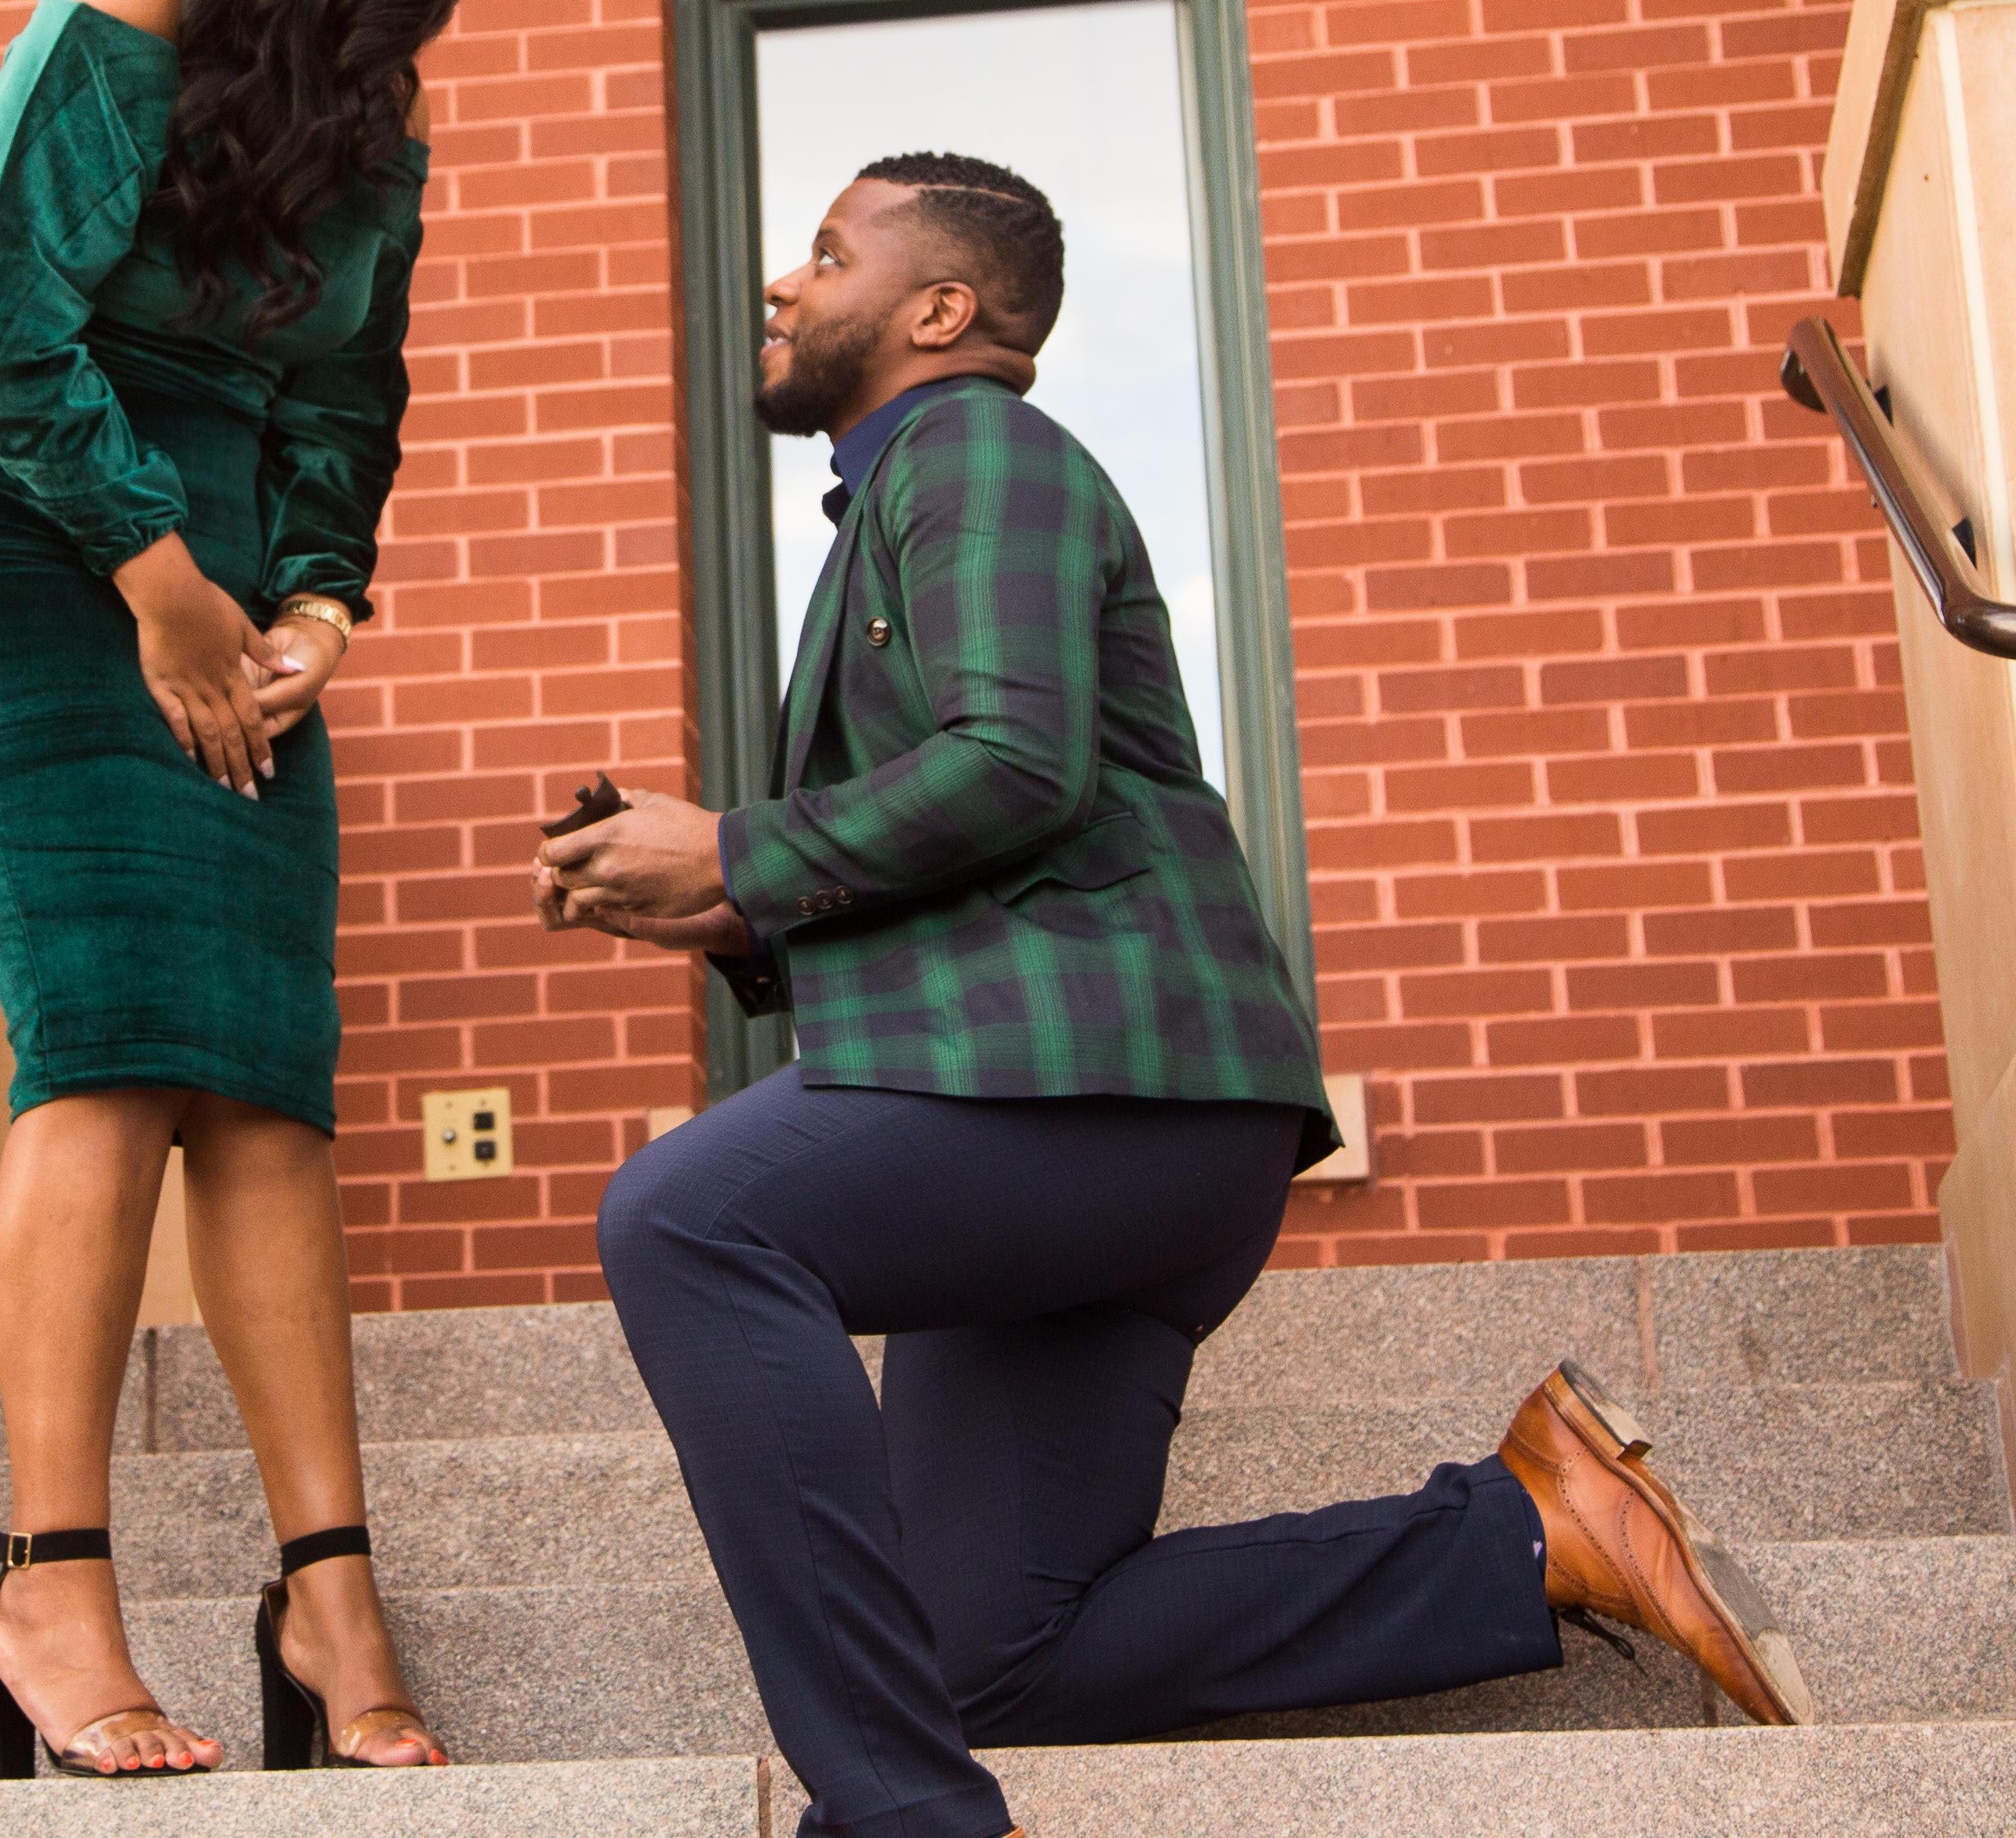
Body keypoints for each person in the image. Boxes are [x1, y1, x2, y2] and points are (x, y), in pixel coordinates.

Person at [534, 151, 1811, 1838]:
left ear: (938, 309)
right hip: (1072, 1126)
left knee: (688, 1220)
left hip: (1105, 1096)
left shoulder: (967, 446)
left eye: (827, 254)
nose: (782, 283)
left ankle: (902, 1820)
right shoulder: (912, 489)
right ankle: (1522, 1529)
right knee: (982, 1648)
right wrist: (728, 910)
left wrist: (744, 850)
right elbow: (993, 815)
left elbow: (1013, 762)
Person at [0, 0, 522, 1778]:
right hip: (25, 562)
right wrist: (163, 592)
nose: (461, 1)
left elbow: (347, 403)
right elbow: (7, 321)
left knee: (267, 1101)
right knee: (112, 1041)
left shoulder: (383, 117)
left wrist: (313, 602)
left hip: (229, 611)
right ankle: (50, 1582)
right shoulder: (127, 4)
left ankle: (330, 1600)